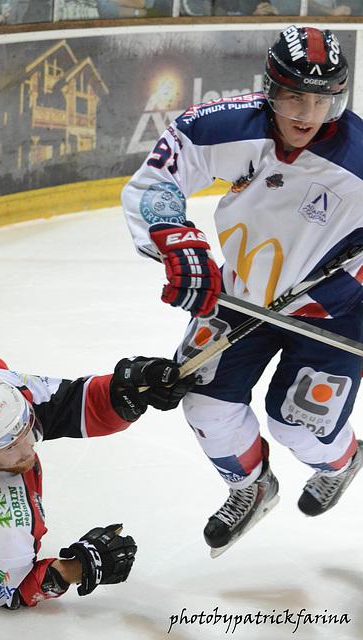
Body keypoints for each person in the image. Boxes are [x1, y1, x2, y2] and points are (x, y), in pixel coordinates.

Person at [122, 26, 363, 557]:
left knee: (299, 428)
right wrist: (175, 241)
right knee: (205, 405)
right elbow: (154, 182)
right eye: (294, 95)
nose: (307, 113)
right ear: (270, 88)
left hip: (335, 312)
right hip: (244, 292)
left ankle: (342, 461)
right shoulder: (224, 125)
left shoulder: (360, 157)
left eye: (322, 99)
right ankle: (251, 486)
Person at [0, 353, 193, 607]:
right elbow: (14, 589)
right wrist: (77, 567)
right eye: (10, 447)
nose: (28, 448)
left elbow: (67, 403)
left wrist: (124, 392)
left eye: (28, 428)